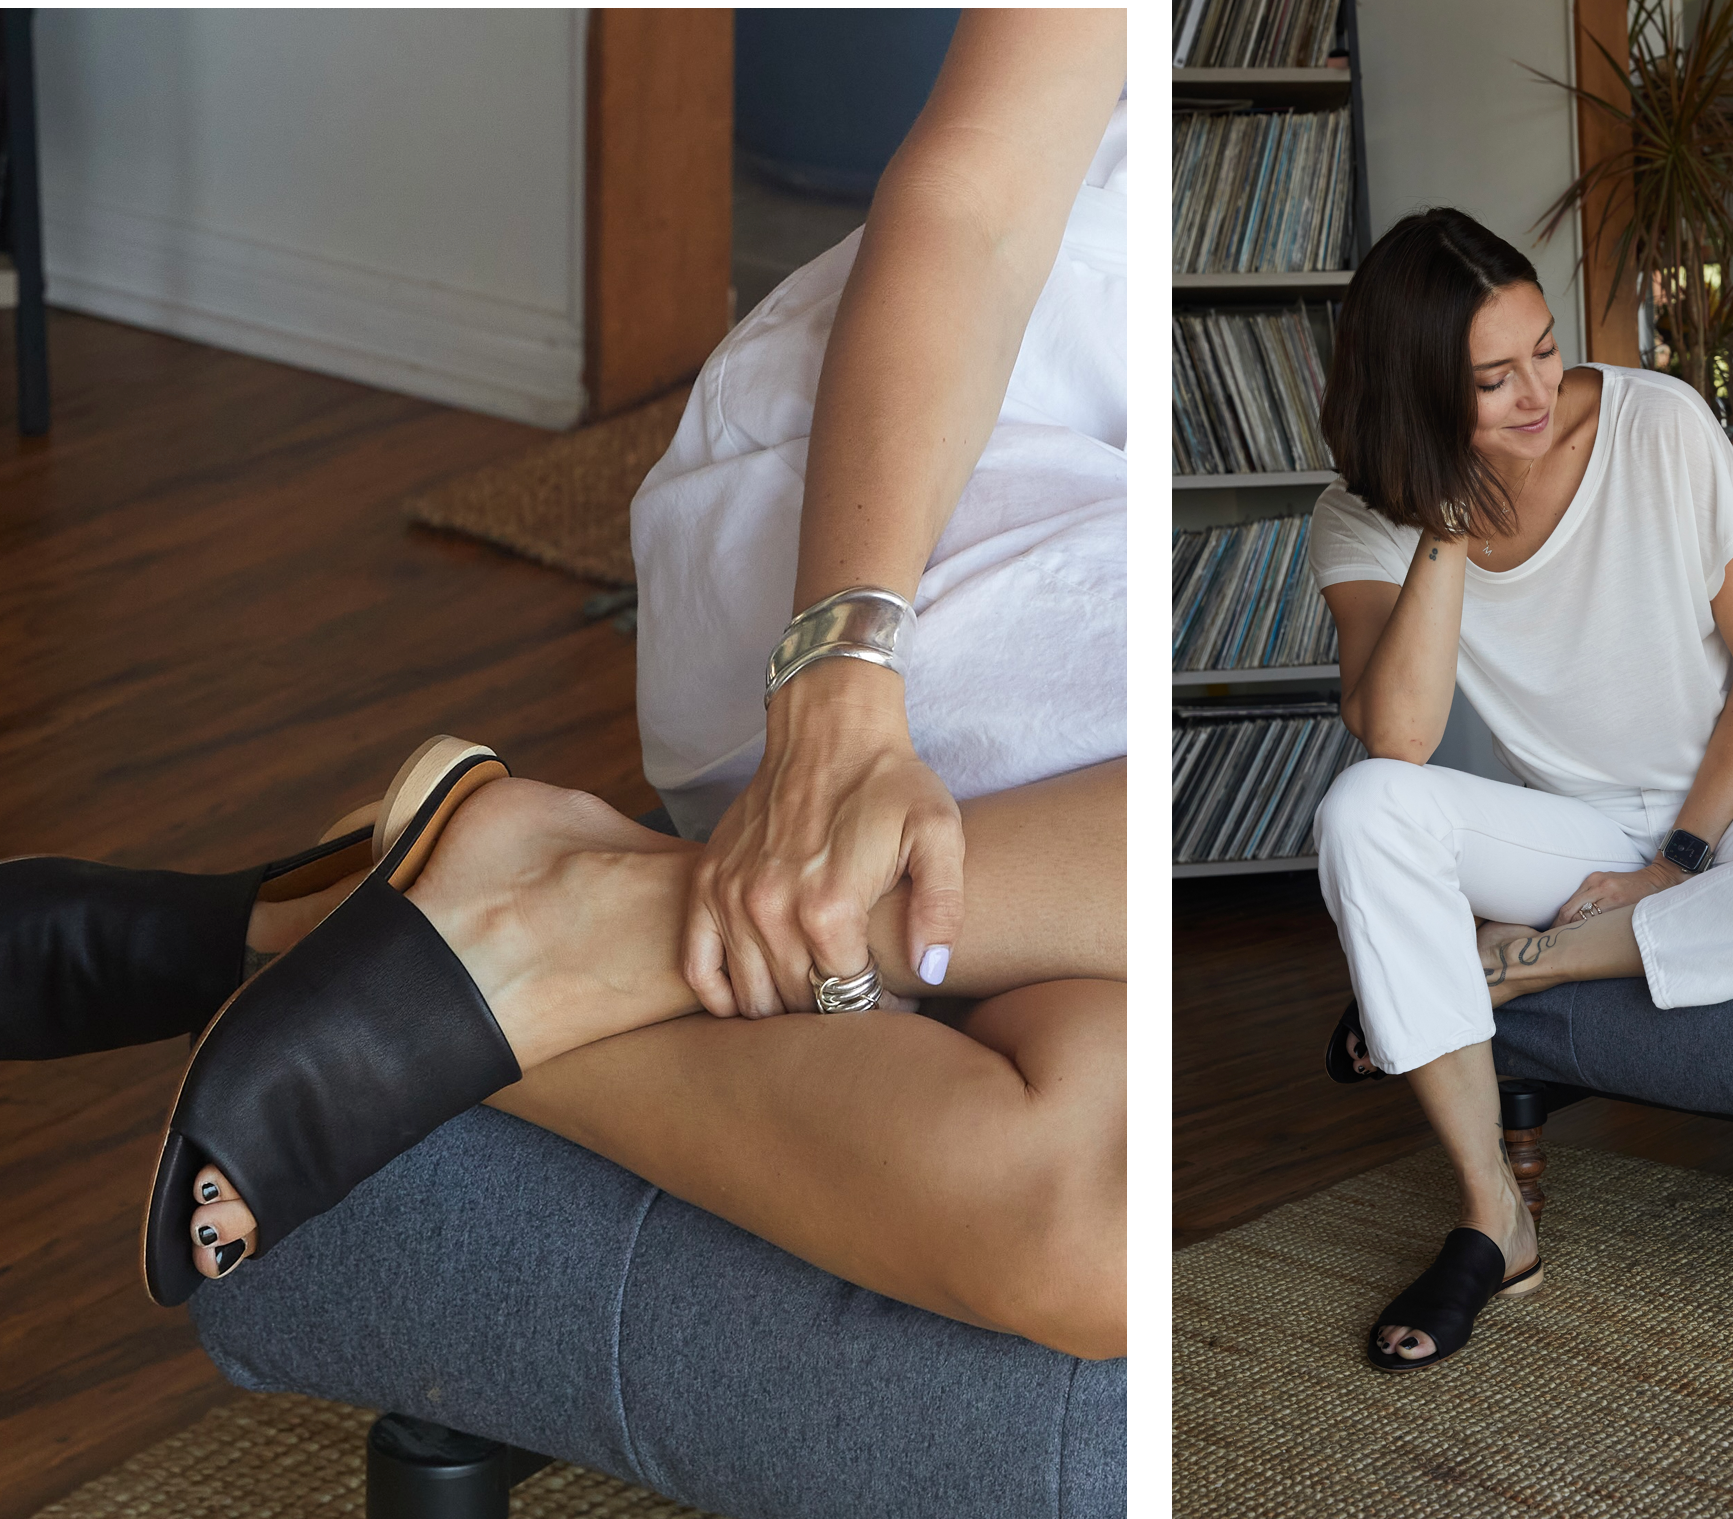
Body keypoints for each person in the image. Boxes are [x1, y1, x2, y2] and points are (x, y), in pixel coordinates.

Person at [9, 10, 1128, 1362]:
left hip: (1047, 603)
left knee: (1088, 1216)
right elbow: (976, 199)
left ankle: (489, 920)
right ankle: (544, 916)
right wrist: (842, 661)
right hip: (926, 487)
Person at [1308, 207, 1733, 1373]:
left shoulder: (1657, 421)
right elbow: (1395, 733)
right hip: (1565, 824)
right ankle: (1490, 1217)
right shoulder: (1363, 515)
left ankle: (1508, 966)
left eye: (1542, 348)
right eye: (1491, 377)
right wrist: (1442, 517)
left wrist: (1677, 861)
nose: (1537, 390)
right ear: (1412, 392)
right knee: (1361, 809)